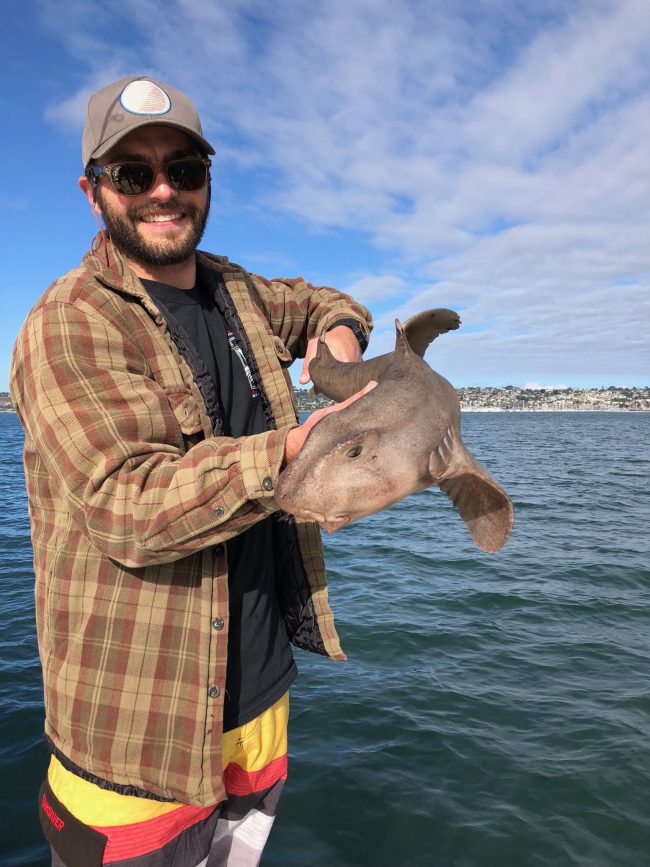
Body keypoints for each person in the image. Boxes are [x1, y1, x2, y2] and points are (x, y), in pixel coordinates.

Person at [10, 75, 373, 867]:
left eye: (185, 167)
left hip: (260, 704)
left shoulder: (234, 290)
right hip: (136, 741)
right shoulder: (67, 323)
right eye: (133, 174)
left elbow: (322, 302)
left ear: (208, 177)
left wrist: (338, 338)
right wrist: (288, 453)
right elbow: (127, 505)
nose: (164, 190)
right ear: (93, 192)